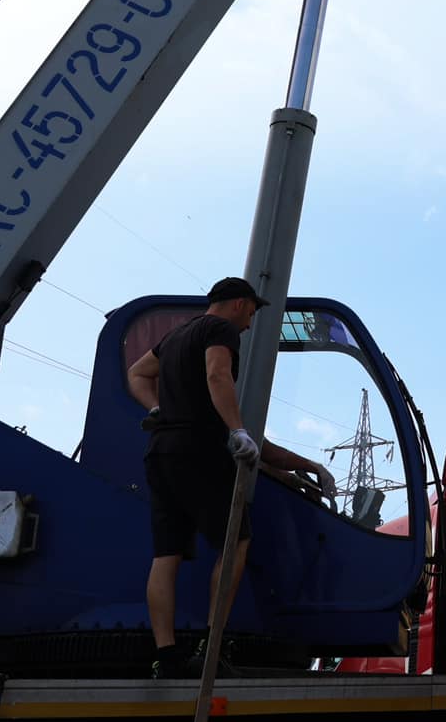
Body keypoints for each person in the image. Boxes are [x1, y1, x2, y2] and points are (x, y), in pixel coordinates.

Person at [125, 275, 333, 677]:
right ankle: (211, 644)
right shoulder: (220, 330)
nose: (250, 324)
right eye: (251, 313)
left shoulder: (175, 337)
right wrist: (237, 429)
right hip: (198, 450)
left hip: (161, 453)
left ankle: (166, 656)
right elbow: (217, 375)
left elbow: (137, 372)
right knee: (237, 541)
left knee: (166, 555)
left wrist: (156, 408)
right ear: (239, 304)